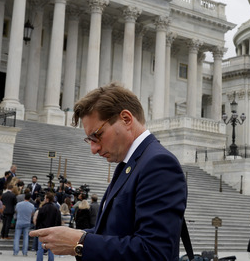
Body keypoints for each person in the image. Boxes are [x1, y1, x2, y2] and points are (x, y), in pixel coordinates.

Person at [31, 83, 187, 260]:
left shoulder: (158, 164)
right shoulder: (132, 162)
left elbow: (155, 252)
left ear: (126, 119)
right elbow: (114, 232)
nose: (93, 149)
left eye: (97, 135)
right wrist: (74, 236)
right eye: (88, 139)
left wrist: (80, 243)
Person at [35, 191, 62, 261]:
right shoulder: (56, 209)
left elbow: (38, 220)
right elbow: (58, 221)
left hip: (42, 229)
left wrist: (37, 228)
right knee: (51, 248)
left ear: (47, 199)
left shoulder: (42, 208)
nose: (43, 199)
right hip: (52, 230)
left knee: (40, 248)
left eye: (44, 198)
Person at [14, 189, 36, 256]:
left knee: (17, 237)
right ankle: (25, 252)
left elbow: (16, 211)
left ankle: (15, 251)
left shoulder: (18, 204)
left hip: (19, 221)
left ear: (24, 197)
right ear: (30, 198)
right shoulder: (32, 206)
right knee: (26, 237)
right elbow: (32, 214)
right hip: (27, 222)